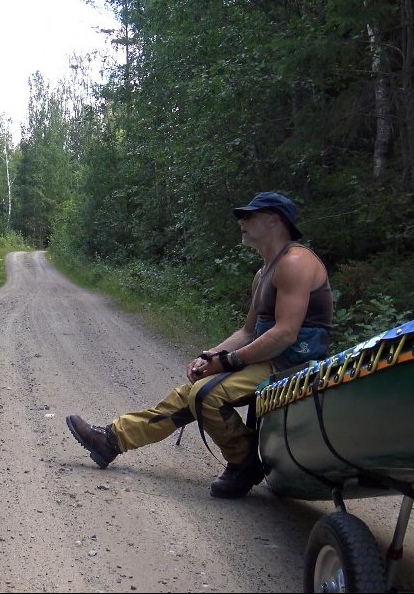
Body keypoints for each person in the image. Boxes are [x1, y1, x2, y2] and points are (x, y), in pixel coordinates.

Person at [66, 191, 333, 499]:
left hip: (293, 365)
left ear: (274, 220)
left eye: (248, 216)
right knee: (191, 391)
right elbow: (248, 331)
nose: (241, 222)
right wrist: (209, 356)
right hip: (269, 359)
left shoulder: (295, 262)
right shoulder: (264, 273)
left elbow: (286, 333)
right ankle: (112, 440)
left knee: (208, 395)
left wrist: (229, 361)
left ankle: (245, 461)